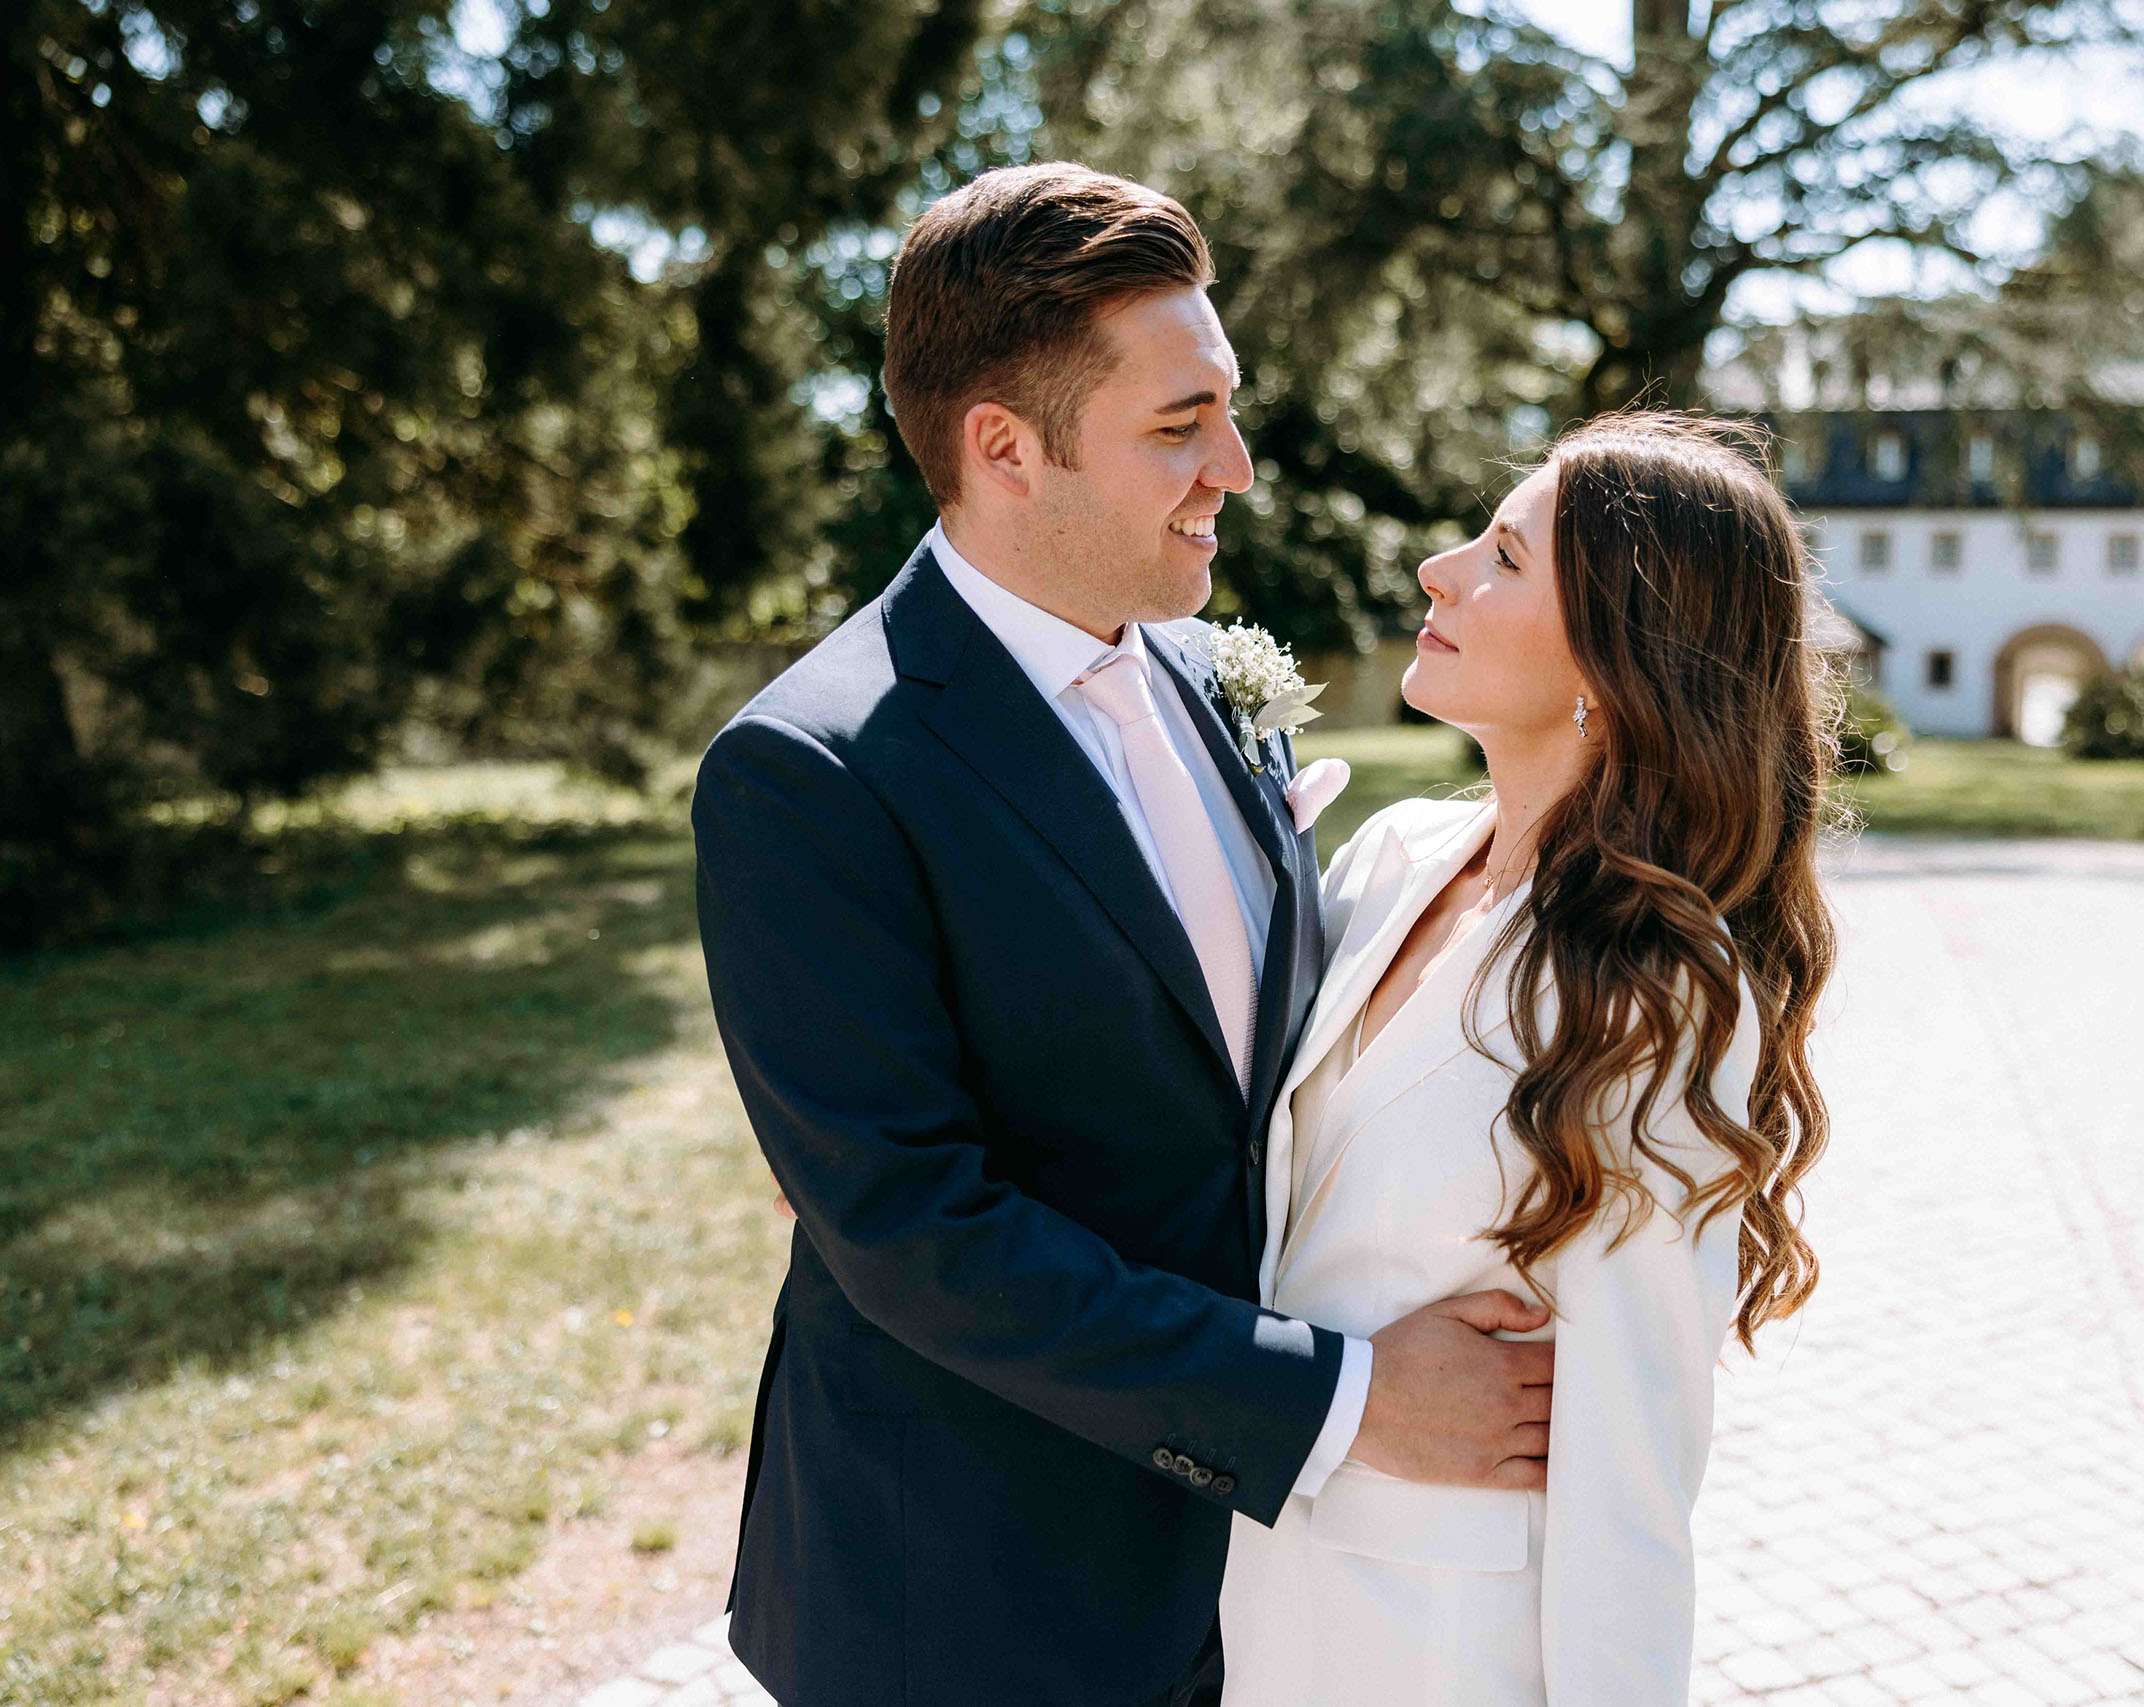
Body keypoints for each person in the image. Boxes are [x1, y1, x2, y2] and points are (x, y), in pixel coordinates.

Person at [689, 162, 1557, 1707]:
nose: (1234, 466)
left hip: (1255, 1586)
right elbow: (915, 1233)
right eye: (1178, 424)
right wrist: (1346, 1402)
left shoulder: (1204, 673)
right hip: (971, 1592)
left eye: (1225, 408)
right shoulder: (812, 773)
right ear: (1004, 448)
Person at [1218, 412, 1841, 1706]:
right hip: (1246, 1606)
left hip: (1448, 1655)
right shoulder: (1394, 859)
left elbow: (1632, 1475)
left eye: (1503, 556)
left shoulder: (1662, 1000)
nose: (1441, 569)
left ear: (1614, 667)